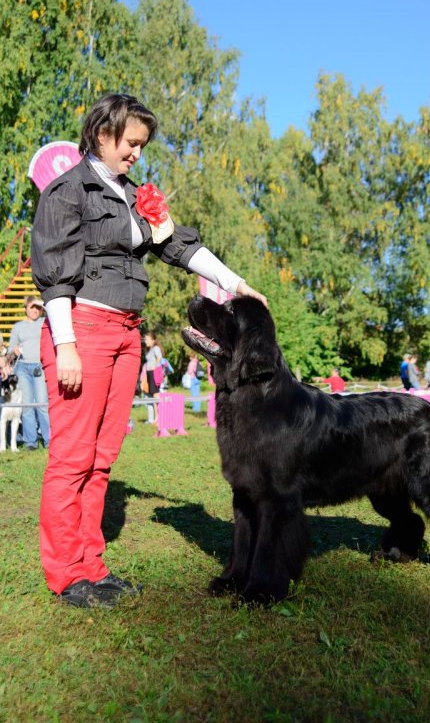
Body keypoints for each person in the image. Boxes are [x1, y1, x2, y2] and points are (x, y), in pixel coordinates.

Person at [31, 92, 267, 609]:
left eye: (142, 144)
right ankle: (66, 574)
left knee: (102, 457)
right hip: (84, 329)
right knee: (72, 456)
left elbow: (178, 244)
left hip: (125, 334)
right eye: (131, 142)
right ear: (102, 134)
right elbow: (53, 275)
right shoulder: (66, 192)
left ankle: (92, 565)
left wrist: (235, 283)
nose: (137, 152)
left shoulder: (134, 194)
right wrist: (65, 345)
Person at [7, 296, 50, 450]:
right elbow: (10, 352)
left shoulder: (45, 322)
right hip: (22, 368)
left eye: (37, 307)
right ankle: (30, 441)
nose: (35, 310)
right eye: (32, 307)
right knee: (27, 406)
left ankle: (49, 440)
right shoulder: (18, 326)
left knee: (42, 404)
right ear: (25, 308)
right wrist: (14, 351)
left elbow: (49, 310)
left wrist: (41, 304)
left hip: (40, 367)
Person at [143, 331, 162, 424]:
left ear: (153, 340)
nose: (145, 341)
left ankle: (158, 418)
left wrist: (155, 367)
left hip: (154, 374)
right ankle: (155, 418)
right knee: (152, 396)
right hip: (149, 374)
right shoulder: (149, 350)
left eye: (147, 339)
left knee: (156, 396)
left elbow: (159, 357)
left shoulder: (156, 348)